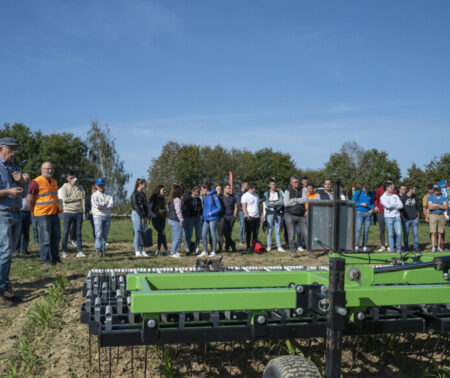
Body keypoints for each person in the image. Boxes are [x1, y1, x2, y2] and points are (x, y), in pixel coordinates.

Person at [0, 137, 24, 307]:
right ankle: (1, 291)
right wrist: (8, 191)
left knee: (9, 254)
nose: (14, 152)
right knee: (4, 252)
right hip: (3, 214)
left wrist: (22, 181)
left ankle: (6, 286)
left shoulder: (14, 167)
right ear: (2, 148)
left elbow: (24, 189)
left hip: (16, 213)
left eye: (16, 149)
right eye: (11, 149)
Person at [28, 161, 62, 265]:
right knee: (45, 239)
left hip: (54, 214)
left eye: (51, 169)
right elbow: (30, 199)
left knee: (56, 238)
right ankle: (45, 261)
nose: (50, 171)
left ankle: (55, 259)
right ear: (42, 170)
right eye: (47, 169)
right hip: (42, 214)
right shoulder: (36, 182)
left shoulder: (54, 182)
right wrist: (32, 211)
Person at [60, 171, 86, 258]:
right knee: (66, 232)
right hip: (68, 212)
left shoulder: (80, 187)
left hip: (78, 212)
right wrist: (76, 198)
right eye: (70, 178)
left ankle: (80, 251)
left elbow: (82, 196)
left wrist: (75, 187)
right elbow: (65, 199)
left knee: (78, 233)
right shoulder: (64, 187)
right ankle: (63, 251)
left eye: (73, 178)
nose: (72, 180)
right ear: (67, 178)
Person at [284, 176, 310, 258]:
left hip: (300, 215)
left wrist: (294, 200)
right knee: (291, 234)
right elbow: (286, 203)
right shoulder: (287, 191)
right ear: (291, 183)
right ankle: (293, 251)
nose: (297, 183)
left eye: (297, 182)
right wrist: (299, 200)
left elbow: (305, 200)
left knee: (306, 233)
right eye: (295, 182)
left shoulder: (302, 190)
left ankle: (310, 251)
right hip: (289, 215)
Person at [91, 177, 113, 257]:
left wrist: (104, 205)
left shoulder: (109, 194)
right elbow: (97, 206)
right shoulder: (94, 195)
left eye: (102, 185)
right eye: (99, 185)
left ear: (104, 185)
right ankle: (98, 249)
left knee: (105, 235)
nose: (101, 186)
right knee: (98, 234)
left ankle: (103, 250)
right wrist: (105, 204)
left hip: (107, 216)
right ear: (96, 186)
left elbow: (111, 204)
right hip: (98, 216)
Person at [199, 183, 222, 257]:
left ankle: (213, 251)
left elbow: (219, 208)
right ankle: (205, 251)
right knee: (203, 235)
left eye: (202, 189)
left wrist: (211, 213)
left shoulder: (214, 196)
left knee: (212, 234)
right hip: (206, 219)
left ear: (206, 189)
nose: (201, 191)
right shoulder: (206, 196)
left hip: (213, 218)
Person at [380, 182, 403, 253]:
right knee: (390, 234)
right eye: (391, 187)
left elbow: (401, 205)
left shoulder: (395, 196)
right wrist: (395, 205)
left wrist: (391, 206)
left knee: (399, 233)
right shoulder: (382, 197)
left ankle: (399, 249)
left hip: (397, 217)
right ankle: (392, 250)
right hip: (388, 217)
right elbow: (387, 206)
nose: (392, 188)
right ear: (387, 188)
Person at [374, 178, 396, 252]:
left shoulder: (394, 191)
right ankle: (383, 245)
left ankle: (390, 245)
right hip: (381, 212)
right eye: (388, 183)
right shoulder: (379, 190)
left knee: (390, 230)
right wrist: (376, 206)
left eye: (391, 183)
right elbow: (376, 199)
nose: (390, 185)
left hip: (390, 213)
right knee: (382, 229)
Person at [352, 183, 374, 252]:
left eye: (368, 190)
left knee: (366, 230)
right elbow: (352, 202)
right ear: (363, 188)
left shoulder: (371, 193)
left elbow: (372, 203)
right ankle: (356, 246)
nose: (366, 191)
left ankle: (364, 246)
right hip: (359, 212)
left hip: (367, 213)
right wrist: (360, 204)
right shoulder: (357, 193)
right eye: (365, 189)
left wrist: (372, 209)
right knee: (358, 229)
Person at [241, 184, 264, 253]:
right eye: (254, 188)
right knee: (248, 233)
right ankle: (248, 246)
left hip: (257, 217)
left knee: (255, 233)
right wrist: (247, 216)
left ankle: (255, 246)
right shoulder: (245, 195)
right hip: (249, 217)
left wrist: (261, 214)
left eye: (255, 189)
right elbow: (243, 207)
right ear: (250, 188)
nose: (255, 190)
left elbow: (258, 206)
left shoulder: (256, 195)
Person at [264, 178, 284, 252]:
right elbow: (267, 204)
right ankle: (269, 246)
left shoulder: (279, 193)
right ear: (269, 185)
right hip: (270, 213)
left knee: (277, 230)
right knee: (269, 230)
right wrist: (277, 202)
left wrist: (273, 202)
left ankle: (279, 246)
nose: (273, 186)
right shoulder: (266, 193)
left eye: (274, 184)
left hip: (278, 212)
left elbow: (282, 202)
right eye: (272, 184)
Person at [182, 186, 203, 255]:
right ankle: (188, 248)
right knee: (189, 234)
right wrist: (193, 209)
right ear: (193, 192)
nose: (198, 193)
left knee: (198, 233)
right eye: (197, 192)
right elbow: (185, 208)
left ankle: (197, 248)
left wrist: (200, 211)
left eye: (199, 192)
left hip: (197, 217)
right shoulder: (188, 199)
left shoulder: (199, 200)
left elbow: (201, 209)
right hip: (189, 218)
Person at [131, 178, 149, 257]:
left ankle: (143, 250)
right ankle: (137, 250)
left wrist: (146, 215)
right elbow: (136, 206)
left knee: (144, 232)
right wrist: (141, 216)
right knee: (138, 232)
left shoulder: (143, 194)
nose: (146, 185)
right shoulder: (134, 194)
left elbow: (145, 205)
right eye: (144, 184)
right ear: (140, 184)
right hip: (137, 214)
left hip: (144, 214)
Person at [427, 184, 448, 252]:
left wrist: (436, 205)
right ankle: (433, 247)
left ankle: (439, 247)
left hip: (441, 215)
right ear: (433, 190)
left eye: (438, 189)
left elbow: (445, 207)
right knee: (433, 232)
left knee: (440, 232)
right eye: (435, 190)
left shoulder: (443, 197)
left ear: (439, 190)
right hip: (433, 215)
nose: (436, 191)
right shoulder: (430, 197)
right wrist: (440, 206)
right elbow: (430, 207)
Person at [148, 185, 168, 256]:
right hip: (156, 219)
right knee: (162, 233)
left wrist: (166, 213)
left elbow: (165, 207)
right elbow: (149, 208)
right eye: (163, 190)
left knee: (161, 234)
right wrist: (154, 216)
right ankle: (166, 249)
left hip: (162, 219)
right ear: (159, 189)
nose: (164, 191)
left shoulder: (163, 198)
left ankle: (158, 250)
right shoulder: (154, 197)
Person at [16, 173, 31, 255]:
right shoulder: (19, 187)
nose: (26, 182)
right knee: (18, 232)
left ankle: (24, 249)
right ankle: (17, 249)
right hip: (20, 211)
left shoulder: (31, 188)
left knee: (26, 232)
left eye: (27, 180)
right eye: (24, 180)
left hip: (28, 212)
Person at [167, 184, 184, 258]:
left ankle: (176, 251)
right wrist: (181, 220)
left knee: (174, 237)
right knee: (178, 237)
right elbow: (178, 211)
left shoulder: (170, 200)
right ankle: (173, 251)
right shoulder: (177, 200)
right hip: (176, 220)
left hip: (171, 220)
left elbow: (168, 210)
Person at [401, 185, 420, 251]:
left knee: (415, 234)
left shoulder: (415, 197)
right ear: (410, 189)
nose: (415, 190)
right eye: (414, 189)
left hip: (414, 219)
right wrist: (403, 217)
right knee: (406, 234)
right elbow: (401, 208)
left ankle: (416, 247)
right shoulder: (403, 197)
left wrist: (417, 216)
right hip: (406, 219)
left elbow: (417, 207)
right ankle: (406, 248)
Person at [222, 183, 238, 252]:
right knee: (225, 233)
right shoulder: (221, 197)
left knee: (229, 233)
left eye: (230, 188)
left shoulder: (233, 197)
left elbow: (236, 207)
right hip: (223, 217)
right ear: (224, 189)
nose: (229, 190)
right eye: (228, 188)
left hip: (231, 217)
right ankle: (232, 244)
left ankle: (227, 248)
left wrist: (234, 216)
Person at [235, 181, 248, 246]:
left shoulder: (247, 192)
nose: (247, 186)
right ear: (242, 185)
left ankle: (246, 240)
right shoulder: (239, 193)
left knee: (246, 226)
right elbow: (238, 203)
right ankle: (241, 241)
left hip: (247, 211)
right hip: (241, 211)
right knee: (242, 225)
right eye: (246, 185)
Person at [215, 185, 227, 252]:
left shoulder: (223, 197)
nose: (219, 190)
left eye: (220, 189)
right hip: (214, 217)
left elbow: (224, 207)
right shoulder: (213, 197)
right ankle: (213, 248)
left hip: (221, 217)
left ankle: (220, 248)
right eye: (218, 189)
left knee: (220, 233)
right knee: (213, 233)